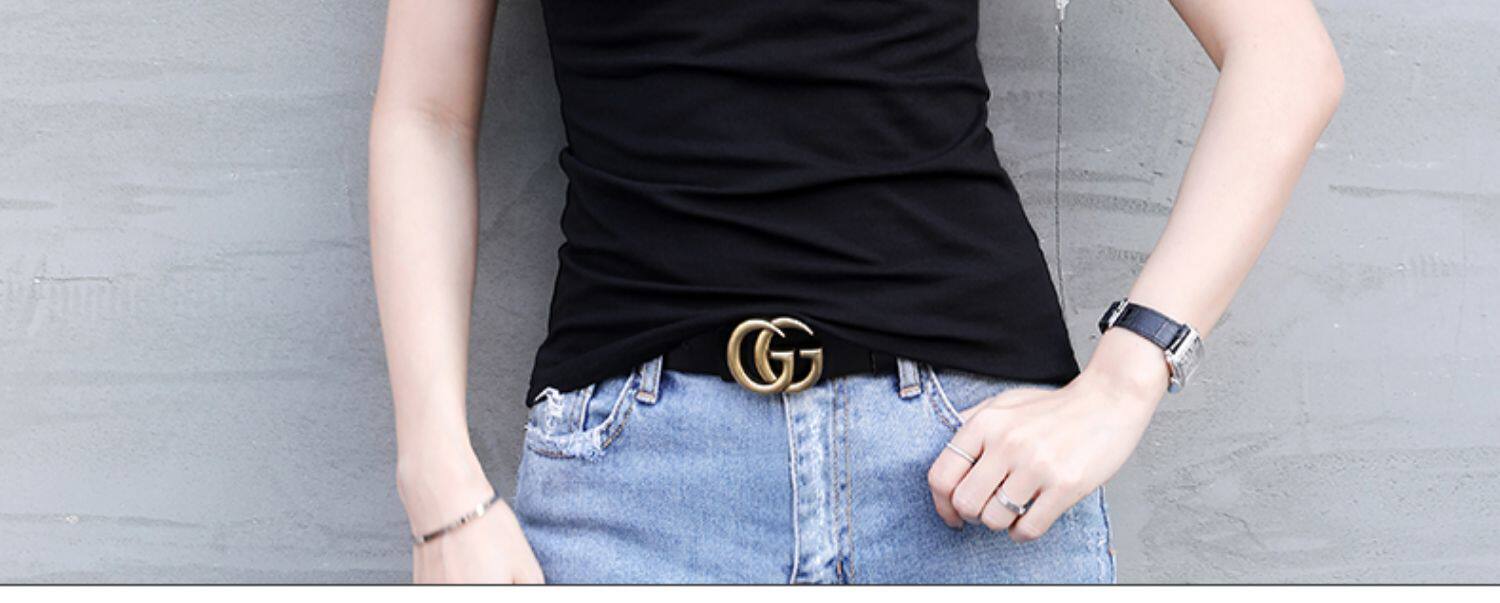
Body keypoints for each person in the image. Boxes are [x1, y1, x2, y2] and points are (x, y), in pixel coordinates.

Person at [368, 0, 1342, 584]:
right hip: (638, 491)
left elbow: (1286, 58)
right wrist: (438, 488)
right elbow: (424, 112)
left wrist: (1126, 381)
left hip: (970, 472)